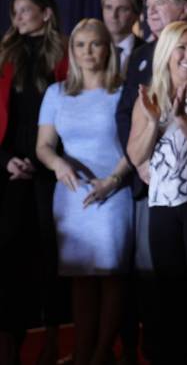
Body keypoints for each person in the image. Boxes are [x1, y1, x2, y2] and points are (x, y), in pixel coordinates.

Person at [113, 0, 187, 361]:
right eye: (181, 47)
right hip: (161, 205)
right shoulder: (149, 96)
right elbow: (136, 153)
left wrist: (180, 119)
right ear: (166, 51)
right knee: (167, 292)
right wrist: (153, 121)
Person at [36, 19, 133, 365]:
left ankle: (101, 351)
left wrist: (114, 179)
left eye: (95, 44)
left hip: (113, 191)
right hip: (71, 195)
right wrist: (58, 164)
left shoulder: (123, 91)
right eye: (80, 45)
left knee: (111, 277)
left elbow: (136, 146)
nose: (88, 52)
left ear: (108, 48)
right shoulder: (56, 93)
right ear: (71, 51)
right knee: (80, 277)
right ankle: (81, 350)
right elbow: (44, 145)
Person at [0, 0, 68, 365]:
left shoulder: (65, 53)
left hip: (52, 170)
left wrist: (50, 160)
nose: (18, 17)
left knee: (50, 253)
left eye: (25, 10)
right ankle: (9, 338)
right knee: (9, 253)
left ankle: (56, 337)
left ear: (46, 13)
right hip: (10, 170)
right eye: (15, 12)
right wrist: (6, 160)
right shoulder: (3, 55)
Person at [101, 0, 144, 73]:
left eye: (122, 9)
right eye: (108, 7)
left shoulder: (148, 52)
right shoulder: (91, 49)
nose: (113, 15)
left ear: (136, 15)